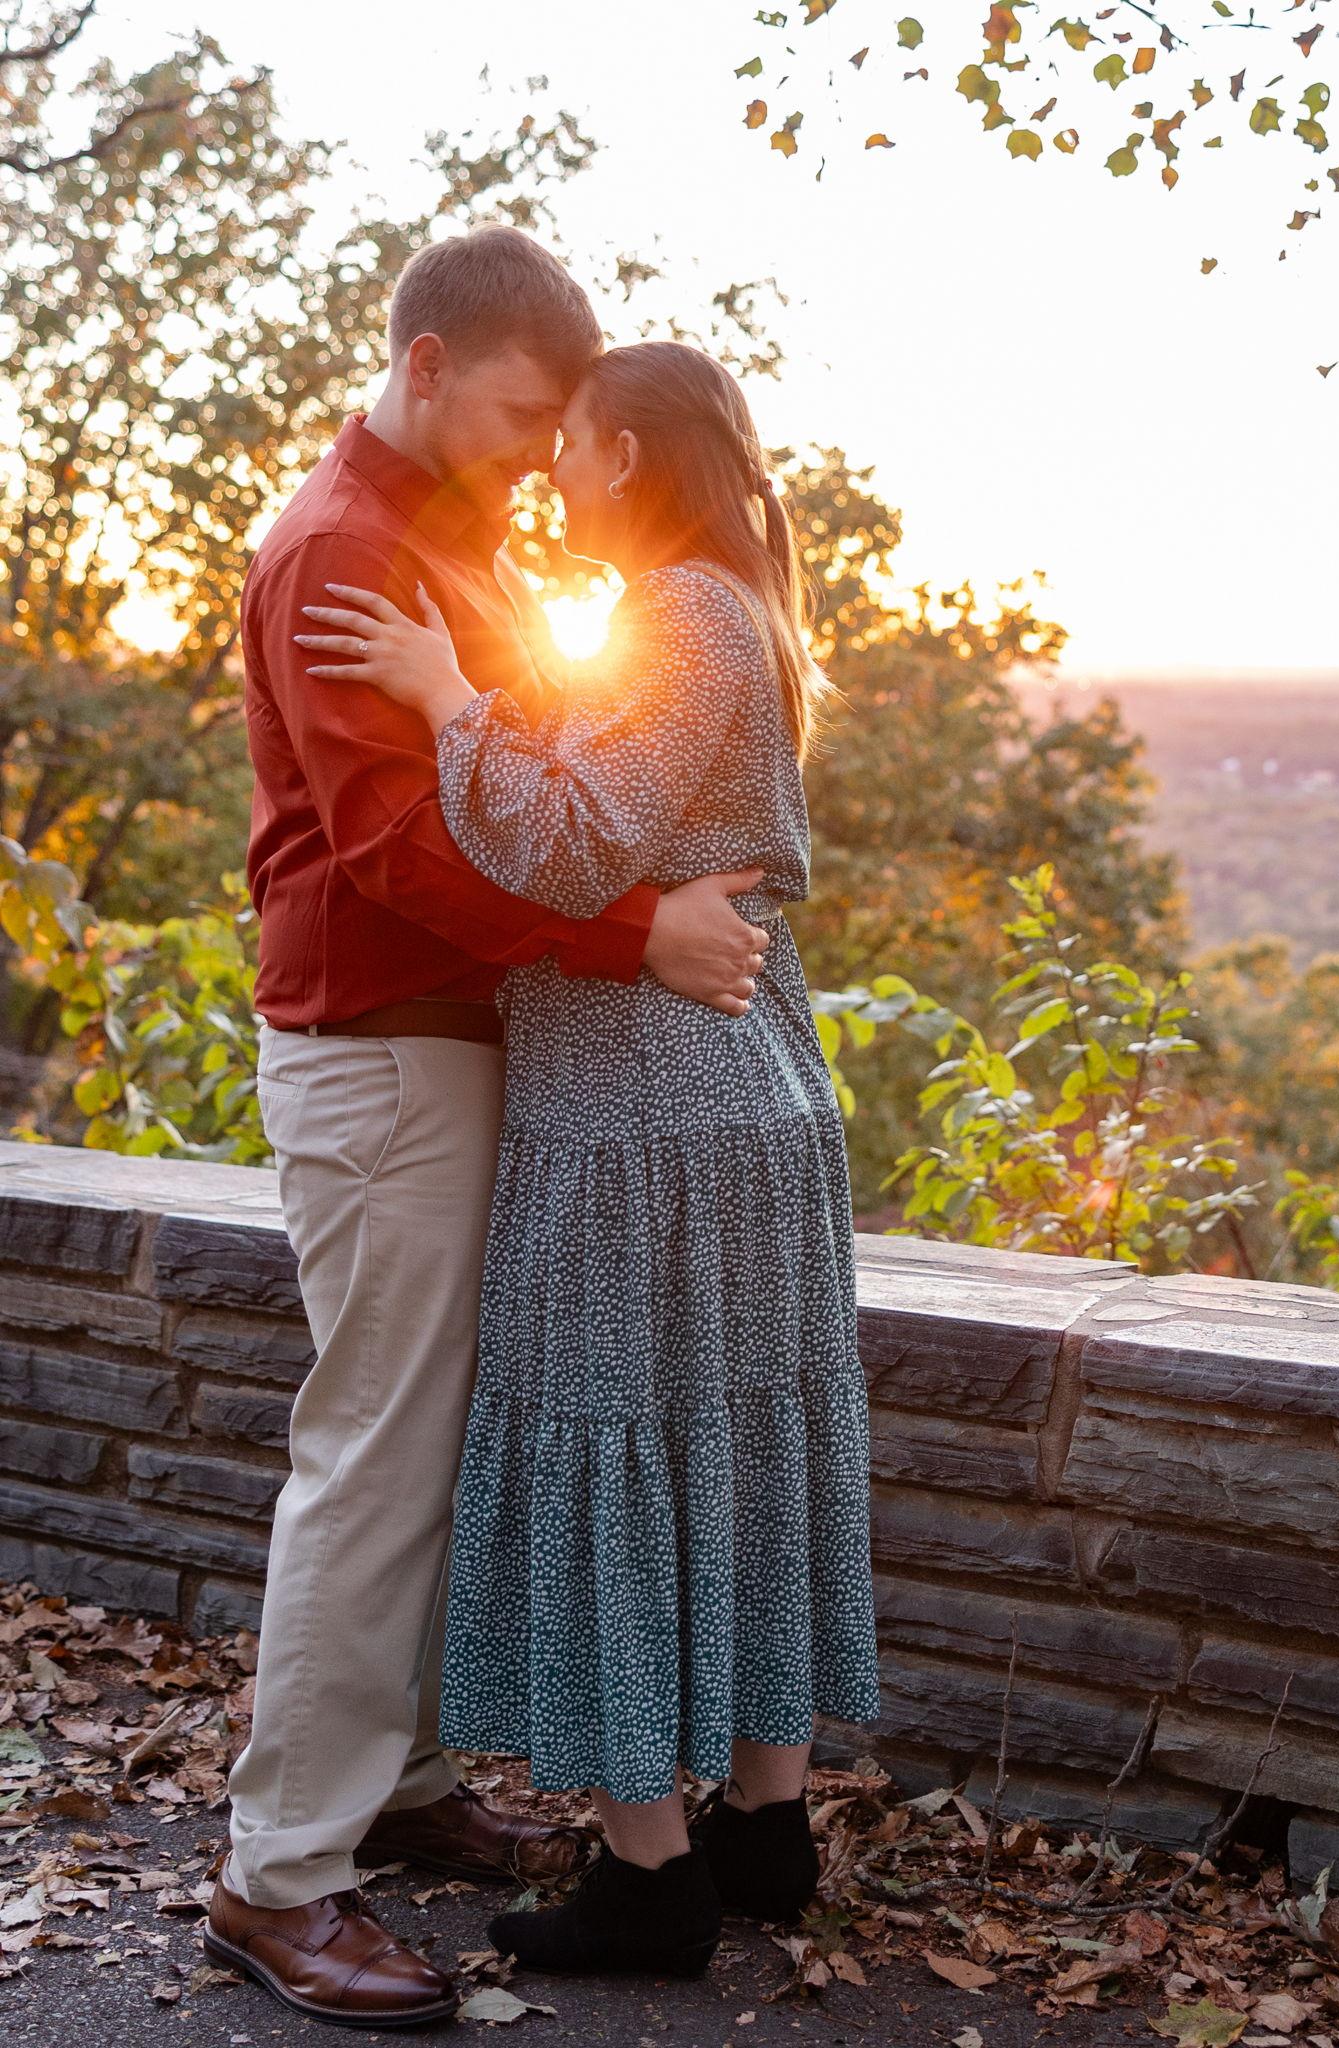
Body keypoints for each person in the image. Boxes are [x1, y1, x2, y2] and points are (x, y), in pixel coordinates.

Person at [205, 228, 776, 2031]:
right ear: (431, 361)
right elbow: (402, 852)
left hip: (470, 1050)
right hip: (383, 1053)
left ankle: (402, 1786)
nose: (548, 455)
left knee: (456, 1433)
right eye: (530, 414)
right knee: (374, 1456)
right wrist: (641, 937)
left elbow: (542, 770)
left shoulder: (449, 537)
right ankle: (277, 1878)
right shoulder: (340, 553)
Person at [297, 337, 880, 1980]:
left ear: (627, 454)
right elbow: (616, 796)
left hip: (640, 1106)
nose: (550, 470)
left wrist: (449, 697)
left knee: (602, 1436)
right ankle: (766, 1824)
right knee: (742, 1436)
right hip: (749, 1091)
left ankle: (650, 1875)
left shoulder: (683, 610)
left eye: (573, 447)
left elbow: (563, 838)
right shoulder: (738, 609)